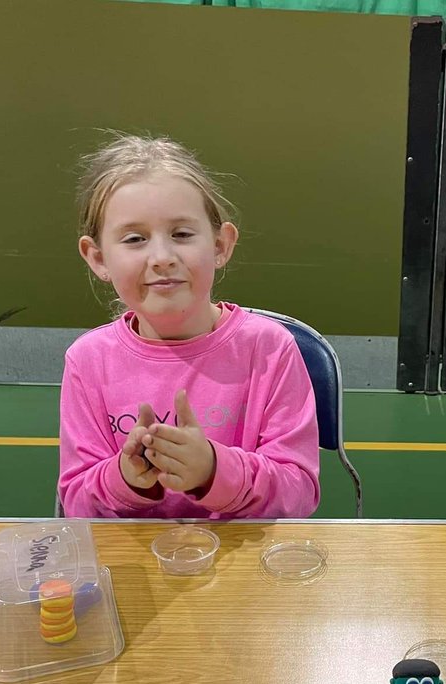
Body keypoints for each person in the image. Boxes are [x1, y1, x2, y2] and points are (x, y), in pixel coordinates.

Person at [58, 134, 320, 519]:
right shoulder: (88, 361)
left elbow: (298, 494)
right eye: (134, 239)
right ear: (98, 258)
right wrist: (126, 477)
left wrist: (214, 471)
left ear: (220, 245)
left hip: (245, 559)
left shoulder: (269, 349)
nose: (162, 257)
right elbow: (77, 503)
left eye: (181, 234)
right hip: (136, 567)